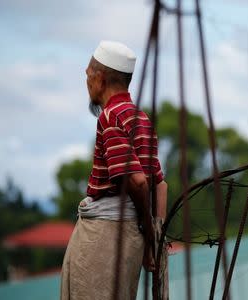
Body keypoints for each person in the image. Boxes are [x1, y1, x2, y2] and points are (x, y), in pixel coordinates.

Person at [60, 40, 168, 300]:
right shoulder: (140, 117)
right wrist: (156, 236)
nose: (86, 82)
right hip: (128, 233)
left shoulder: (111, 116)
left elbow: (138, 182)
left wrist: (146, 227)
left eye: (88, 74)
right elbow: (160, 185)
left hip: (106, 235)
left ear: (100, 78)